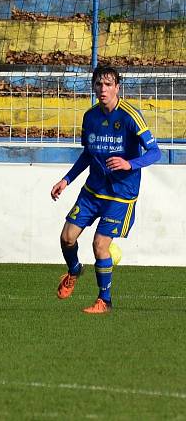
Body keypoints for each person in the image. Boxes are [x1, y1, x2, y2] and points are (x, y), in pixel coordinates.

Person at [51, 65, 160, 314]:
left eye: (108, 84)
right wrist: (66, 180)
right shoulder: (90, 117)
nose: (103, 89)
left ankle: (105, 301)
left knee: (100, 244)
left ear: (117, 87)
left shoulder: (129, 116)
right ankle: (75, 270)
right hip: (93, 190)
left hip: (121, 194)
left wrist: (129, 163)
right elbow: (88, 154)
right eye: (99, 84)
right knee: (67, 238)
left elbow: (156, 152)